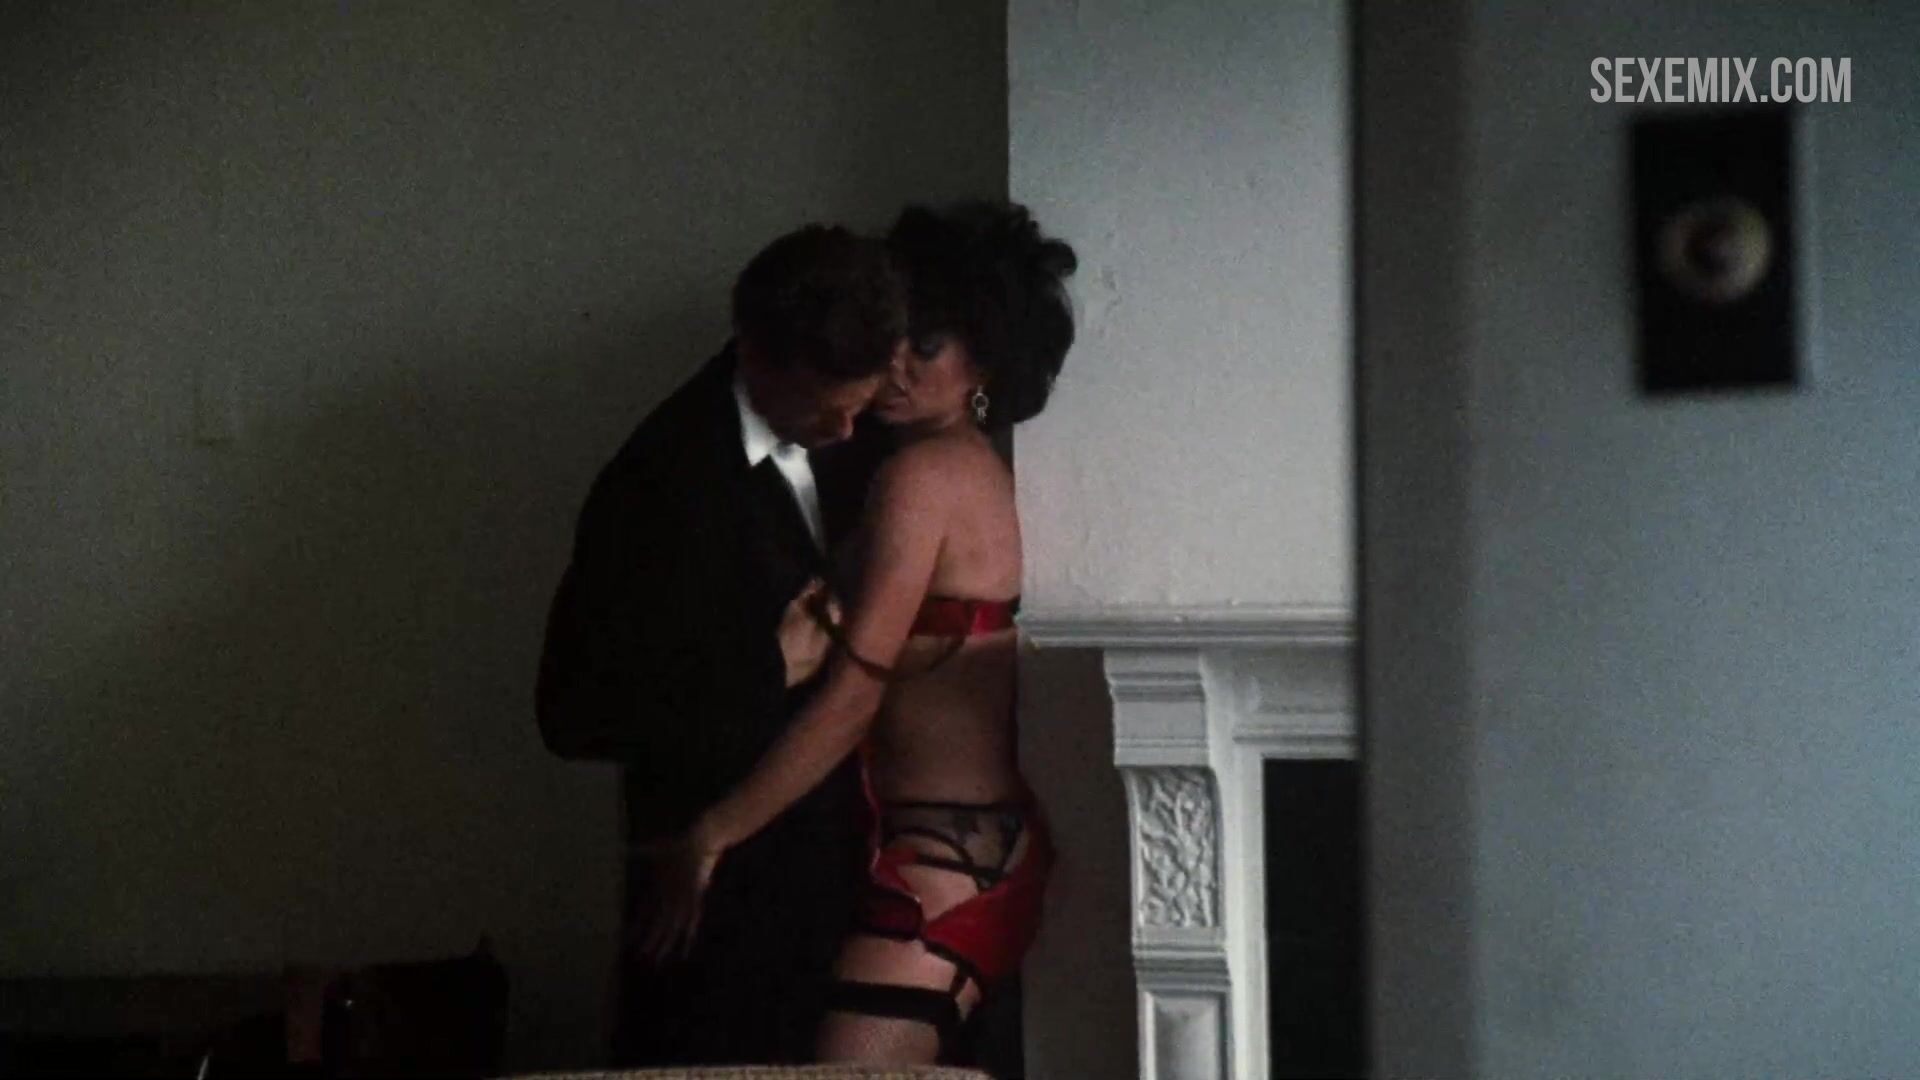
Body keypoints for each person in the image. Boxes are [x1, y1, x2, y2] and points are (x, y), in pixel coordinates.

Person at [639, 201, 1077, 1066]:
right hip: (958, 849)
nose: (898, 366)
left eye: (929, 346)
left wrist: (713, 832)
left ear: (986, 361)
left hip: (952, 862)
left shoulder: (921, 478)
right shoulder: (963, 468)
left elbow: (853, 698)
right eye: (897, 337)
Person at [535, 224, 906, 1065]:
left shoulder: (869, 435)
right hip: (712, 913)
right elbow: (570, 712)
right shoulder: (656, 486)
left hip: (844, 878)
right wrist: (765, 668)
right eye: (829, 408)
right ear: (756, 355)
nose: (850, 429)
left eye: (862, 401)